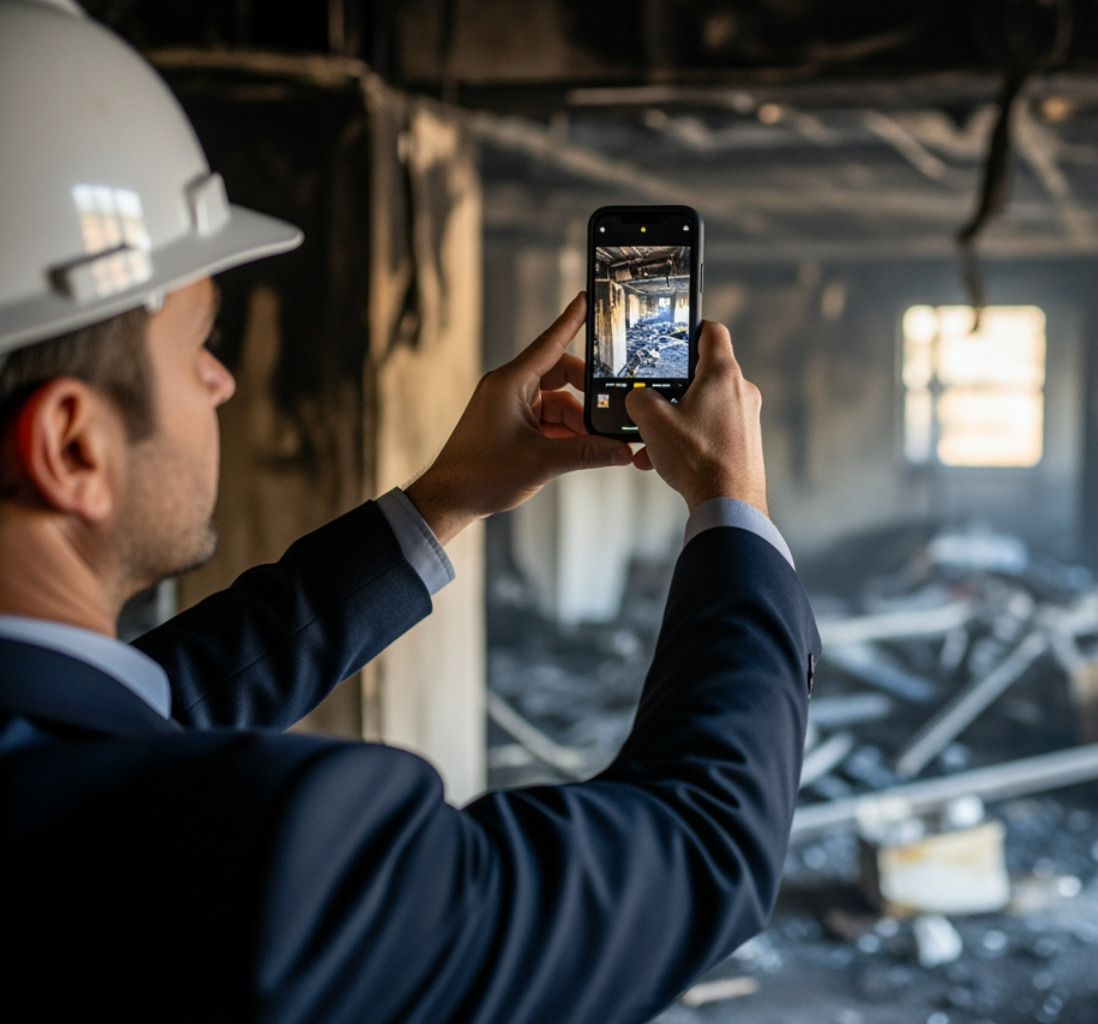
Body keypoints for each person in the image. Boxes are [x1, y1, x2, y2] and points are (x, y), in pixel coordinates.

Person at [0, 2, 817, 1021]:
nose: (221, 383)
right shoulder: (253, 856)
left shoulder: (60, 759)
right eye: (197, 346)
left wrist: (445, 501)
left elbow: (155, 701)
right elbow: (702, 847)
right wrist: (732, 510)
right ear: (72, 444)